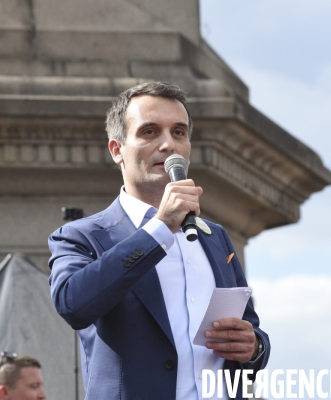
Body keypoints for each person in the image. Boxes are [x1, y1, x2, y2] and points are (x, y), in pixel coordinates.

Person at [48, 81, 270, 400]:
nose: (169, 145)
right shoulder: (82, 236)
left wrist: (253, 347)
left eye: (179, 132)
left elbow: (251, 329)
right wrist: (161, 226)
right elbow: (73, 305)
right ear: (117, 150)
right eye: (150, 132)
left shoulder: (215, 237)